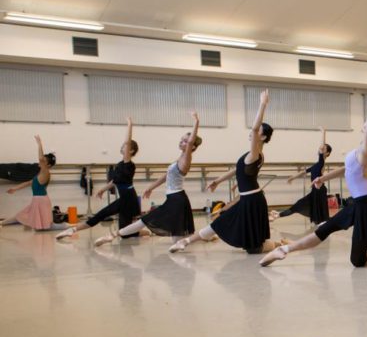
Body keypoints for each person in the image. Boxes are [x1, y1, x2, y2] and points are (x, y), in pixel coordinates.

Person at [259, 78, 367, 268]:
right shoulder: (360, 149)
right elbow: (348, 169)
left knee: (358, 260)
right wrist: (323, 177)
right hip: (357, 202)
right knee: (324, 229)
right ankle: (284, 250)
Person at [169, 90, 283, 254]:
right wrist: (219, 180)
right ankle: (185, 242)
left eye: (257, 132)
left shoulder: (255, 154)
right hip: (249, 199)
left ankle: (279, 244)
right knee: (220, 222)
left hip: (252, 201)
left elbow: (255, 127)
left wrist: (262, 104)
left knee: (254, 248)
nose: (252, 133)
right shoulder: (252, 155)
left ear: (263, 137)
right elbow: (236, 170)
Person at [95, 112, 202, 246]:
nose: (182, 142)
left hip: (177, 200)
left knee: (148, 223)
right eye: (181, 139)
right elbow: (166, 176)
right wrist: (151, 187)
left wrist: (196, 121)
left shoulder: (187, 158)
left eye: (186, 141)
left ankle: (112, 236)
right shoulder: (179, 158)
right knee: (175, 238)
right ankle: (207, 236)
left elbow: (192, 140)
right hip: (175, 199)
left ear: (192, 146)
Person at [56, 117, 140, 240]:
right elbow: (115, 181)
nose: (122, 147)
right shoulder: (121, 164)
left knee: (112, 224)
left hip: (128, 199)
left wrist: (129, 125)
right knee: (124, 232)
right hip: (126, 198)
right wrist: (103, 189)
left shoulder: (128, 163)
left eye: (125, 146)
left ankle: (72, 229)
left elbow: (127, 142)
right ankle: (72, 230)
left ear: (130, 150)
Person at [272, 127, 331, 225]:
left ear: (327, 153)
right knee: (299, 204)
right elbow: (304, 172)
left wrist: (323, 133)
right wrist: (293, 177)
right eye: (321, 148)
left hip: (320, 191)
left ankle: (323, 224)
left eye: (324, 149)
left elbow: (321, 147)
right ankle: (279, 215)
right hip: (315, 191)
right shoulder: (317, 164)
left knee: (318, 212)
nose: (320, 149)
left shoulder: (322, 162)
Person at [2, 135, 55, 231]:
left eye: (44, 160)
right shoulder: (40, 174)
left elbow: (40, 158)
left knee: (44, 227)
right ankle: (2, 223)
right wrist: (15, 189)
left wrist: (39, 144)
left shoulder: (45, 172)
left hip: (41, 201)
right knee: (21, 215)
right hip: (38, 200)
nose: (41, 160)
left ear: (48, 164)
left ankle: (68, 226)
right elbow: (28, 182)